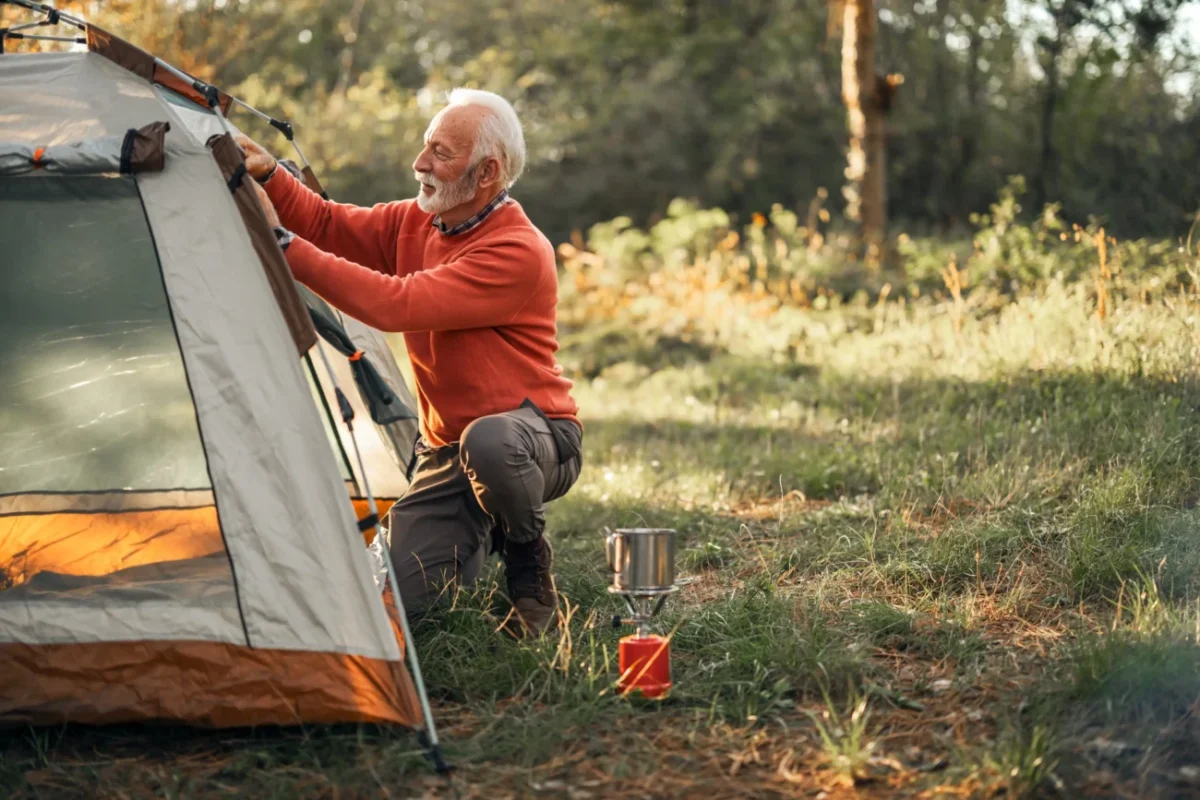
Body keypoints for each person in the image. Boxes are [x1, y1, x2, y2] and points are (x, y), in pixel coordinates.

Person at [236, 89, 581, 637]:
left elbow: (395, 304)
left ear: (486, 171)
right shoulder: (419, 221)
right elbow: (326, 224)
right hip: (445, 454)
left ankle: (527, 560)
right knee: (394, 606)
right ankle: (480, 530)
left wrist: (278, 244)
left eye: (440, 153)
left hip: (534, 441)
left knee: (491, 444)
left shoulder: (516, 251)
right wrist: (271, 174)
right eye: (426, 147)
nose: (420, 164)